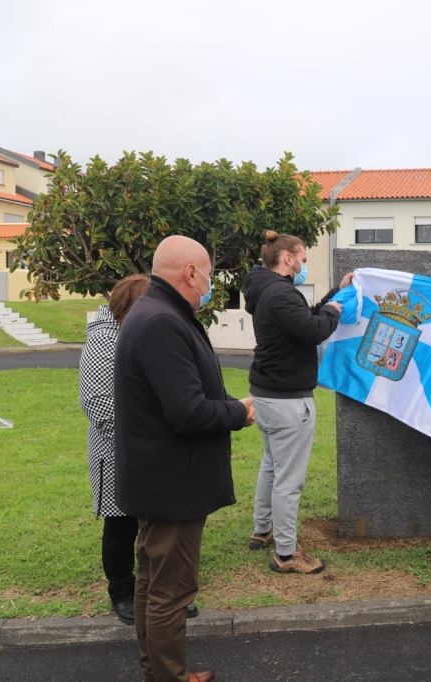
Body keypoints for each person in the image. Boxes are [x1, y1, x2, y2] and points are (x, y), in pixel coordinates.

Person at [115, 235, 255, 682]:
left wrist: (225, 402)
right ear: (191, 273)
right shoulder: (161, 321)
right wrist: (238, 413)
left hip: (160, 477)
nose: (210, 284)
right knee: (170, 592)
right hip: (172, 482)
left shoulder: (158, 312)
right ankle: (167, 676)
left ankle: (158, 671)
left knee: (151, 583)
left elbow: (186, 392)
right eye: (209, 274)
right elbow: (187, 411)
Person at [79, 274, 201, 626]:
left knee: (155, 525)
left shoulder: (142, 333)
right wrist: (145, 435)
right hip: (117, 451)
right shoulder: (104, 339)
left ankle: (162, 594)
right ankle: (122, 592)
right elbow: (97, 403)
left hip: (153, 449)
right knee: (121, 525)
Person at [244, 230, 352, 574]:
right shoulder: (281, 293)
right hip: (287, 400)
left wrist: (335, 294)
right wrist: (334, 311)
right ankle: (286, 553)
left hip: (267, 393)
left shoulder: (268, 290)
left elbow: (305, 318)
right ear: (287, 258)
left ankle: (262, 529)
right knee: (289, 480)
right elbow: (314, 329)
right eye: (303, 258)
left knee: (272, 465)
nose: (304, 265)